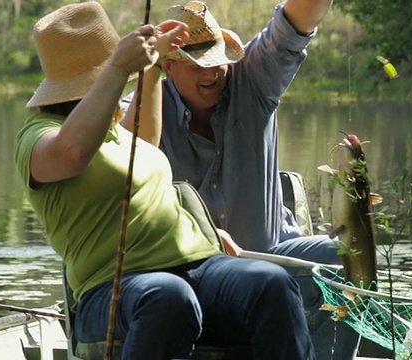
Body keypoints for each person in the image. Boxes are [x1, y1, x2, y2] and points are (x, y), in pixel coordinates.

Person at [13, 2, 315, 359]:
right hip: (112, 291)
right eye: (116, 76)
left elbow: (145, 141)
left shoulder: (115, 131)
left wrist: (155, 67)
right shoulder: (38, 136)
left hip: (199, 266)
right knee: (168, 296)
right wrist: (118, 67)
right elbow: (72, 154)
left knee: (272, 284)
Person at [121, 1, 361, 359]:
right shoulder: (143, 105)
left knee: (346, 254)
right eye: (197, 63)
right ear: (168, 67)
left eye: (219, 58)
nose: (214, 70)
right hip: (189, 274)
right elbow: (125, 163)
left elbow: (295, 24)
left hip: (273, 257)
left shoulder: (253, 80)